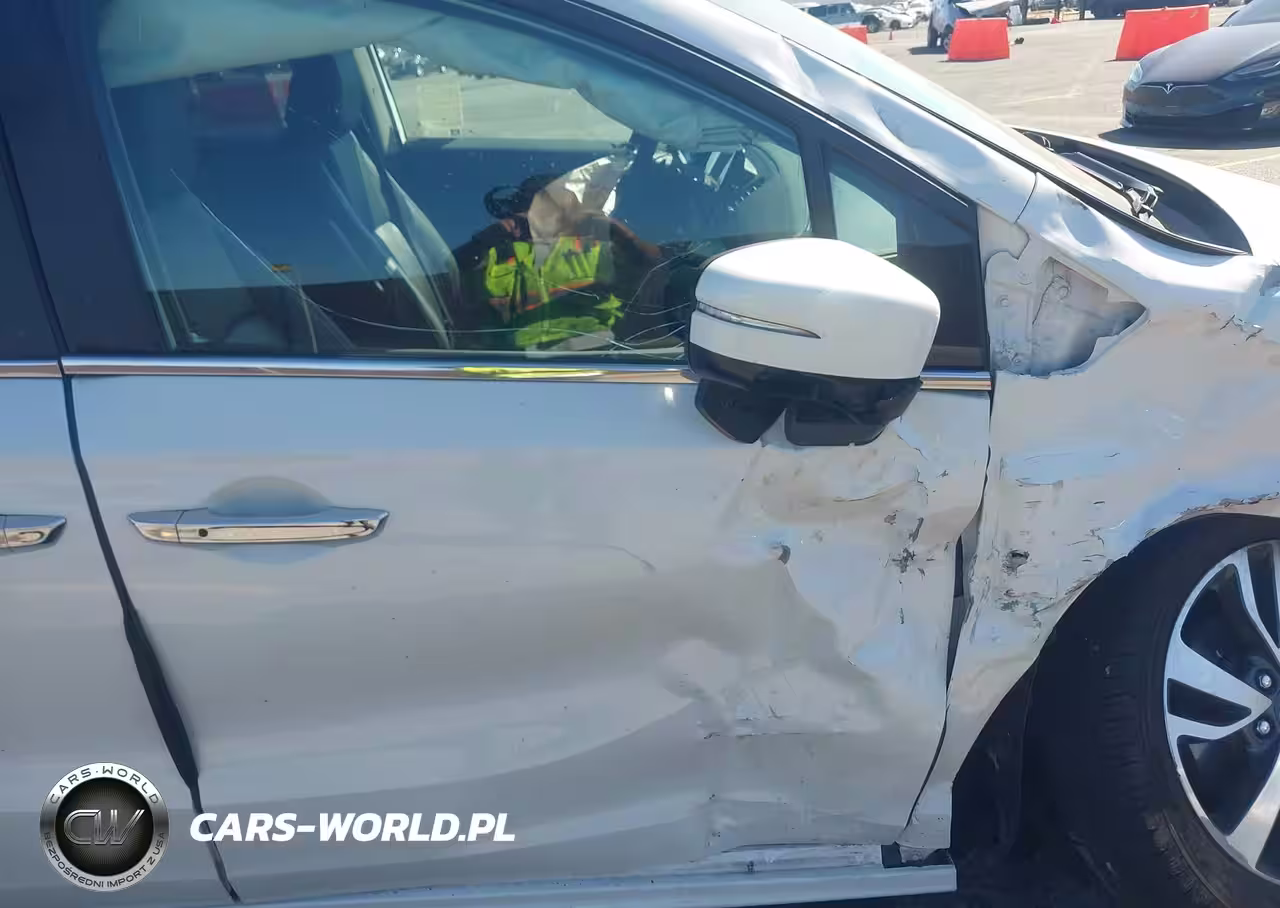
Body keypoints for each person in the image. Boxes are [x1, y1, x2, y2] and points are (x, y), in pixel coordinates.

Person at [452, 170, 664, 353]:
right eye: (535, 207)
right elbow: (449, 273)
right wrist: (485, 239)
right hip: (513, 361)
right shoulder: (498, 252)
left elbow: (654, 264)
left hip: (595, 355)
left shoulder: (597, 247)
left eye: (555, 208)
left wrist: (615, 231)